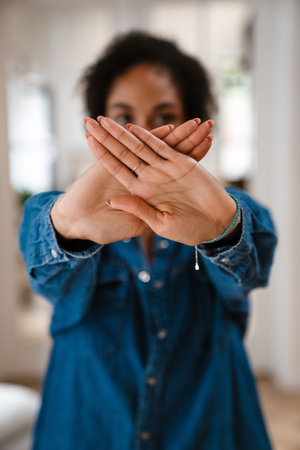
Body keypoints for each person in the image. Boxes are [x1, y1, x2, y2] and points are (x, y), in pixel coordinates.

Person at [19, 31, 277, 450]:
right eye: (123, 117)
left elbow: (251, 269)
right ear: (98, 122)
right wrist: (67, 225)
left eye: (163, 116)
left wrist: (222, 229)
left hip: (207, 421)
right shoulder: (63, 209)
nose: (141, 133)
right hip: (87, 422)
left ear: (192, 120)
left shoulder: (227, 209)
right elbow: (46, 274)